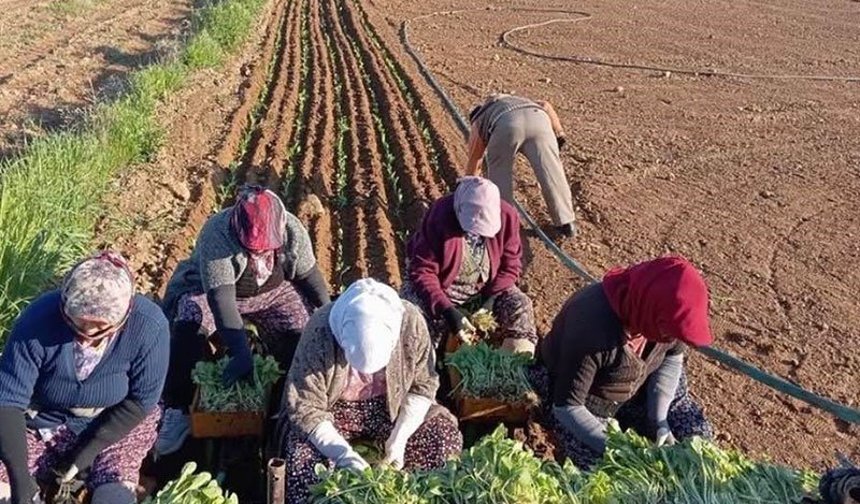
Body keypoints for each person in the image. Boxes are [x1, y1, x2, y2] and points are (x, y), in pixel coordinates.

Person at [156, 185, 330, 456]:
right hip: (212, 290)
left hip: (273, 293)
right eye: (253, 248)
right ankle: (177, 408)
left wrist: (328, 312)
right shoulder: (218, 232)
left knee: (302, 331)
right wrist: (239, 351)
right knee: (188, 324)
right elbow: (221, 300)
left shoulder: (293, 230)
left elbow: (309, 277)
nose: (260, 253)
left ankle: (288, 404)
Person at [0, 251, 169, 504]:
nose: (87, 334)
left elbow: (140, 401)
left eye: (100, 327)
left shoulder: (148, 327)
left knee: (114, 493)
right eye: (78, 323)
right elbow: (8, 401)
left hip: (112, 424)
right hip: (45, 422)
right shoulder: (37, 322)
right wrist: (21, 484)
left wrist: (83, 457)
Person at [279, 278, 463, 503]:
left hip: (392, 411)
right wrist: (344, 455)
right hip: (334, 415)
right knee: (301, 464)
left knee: (444, 440)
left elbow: (423, 386)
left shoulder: (410, 323)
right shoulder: (320, 329)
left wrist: (400, 437)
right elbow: (306, 407)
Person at [538, 256, 714, 469]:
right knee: (607, 468)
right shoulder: (591, 326)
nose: (672, 338)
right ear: (651, 310)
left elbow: (672, 359)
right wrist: (620, 449)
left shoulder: (665, 318)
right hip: (586, 398)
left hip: (640, 385)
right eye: (669, 332)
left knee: (697, 441)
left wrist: (659, 421)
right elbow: (568, 406)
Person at [401, 176, 537, 355]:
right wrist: (447, 310)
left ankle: (513, 364)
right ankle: (426, 365)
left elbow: (511, 266)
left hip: (487, 290)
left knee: (520, 304)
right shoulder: (440, 215)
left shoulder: (507, 216)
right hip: (445, 288)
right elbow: (423, 270)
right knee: (409, 314)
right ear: (458, 210)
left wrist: (490, 299)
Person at [465, 93, 576, 238]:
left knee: (499, 171)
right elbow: (546, 105)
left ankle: (504, 221)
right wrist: (560, 133)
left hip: (506, 126)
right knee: (552, 172)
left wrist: (466, 188)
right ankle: (566, 222)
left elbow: (475, 160)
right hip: (539, 119)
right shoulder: (520, 100)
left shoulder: (479, 120)